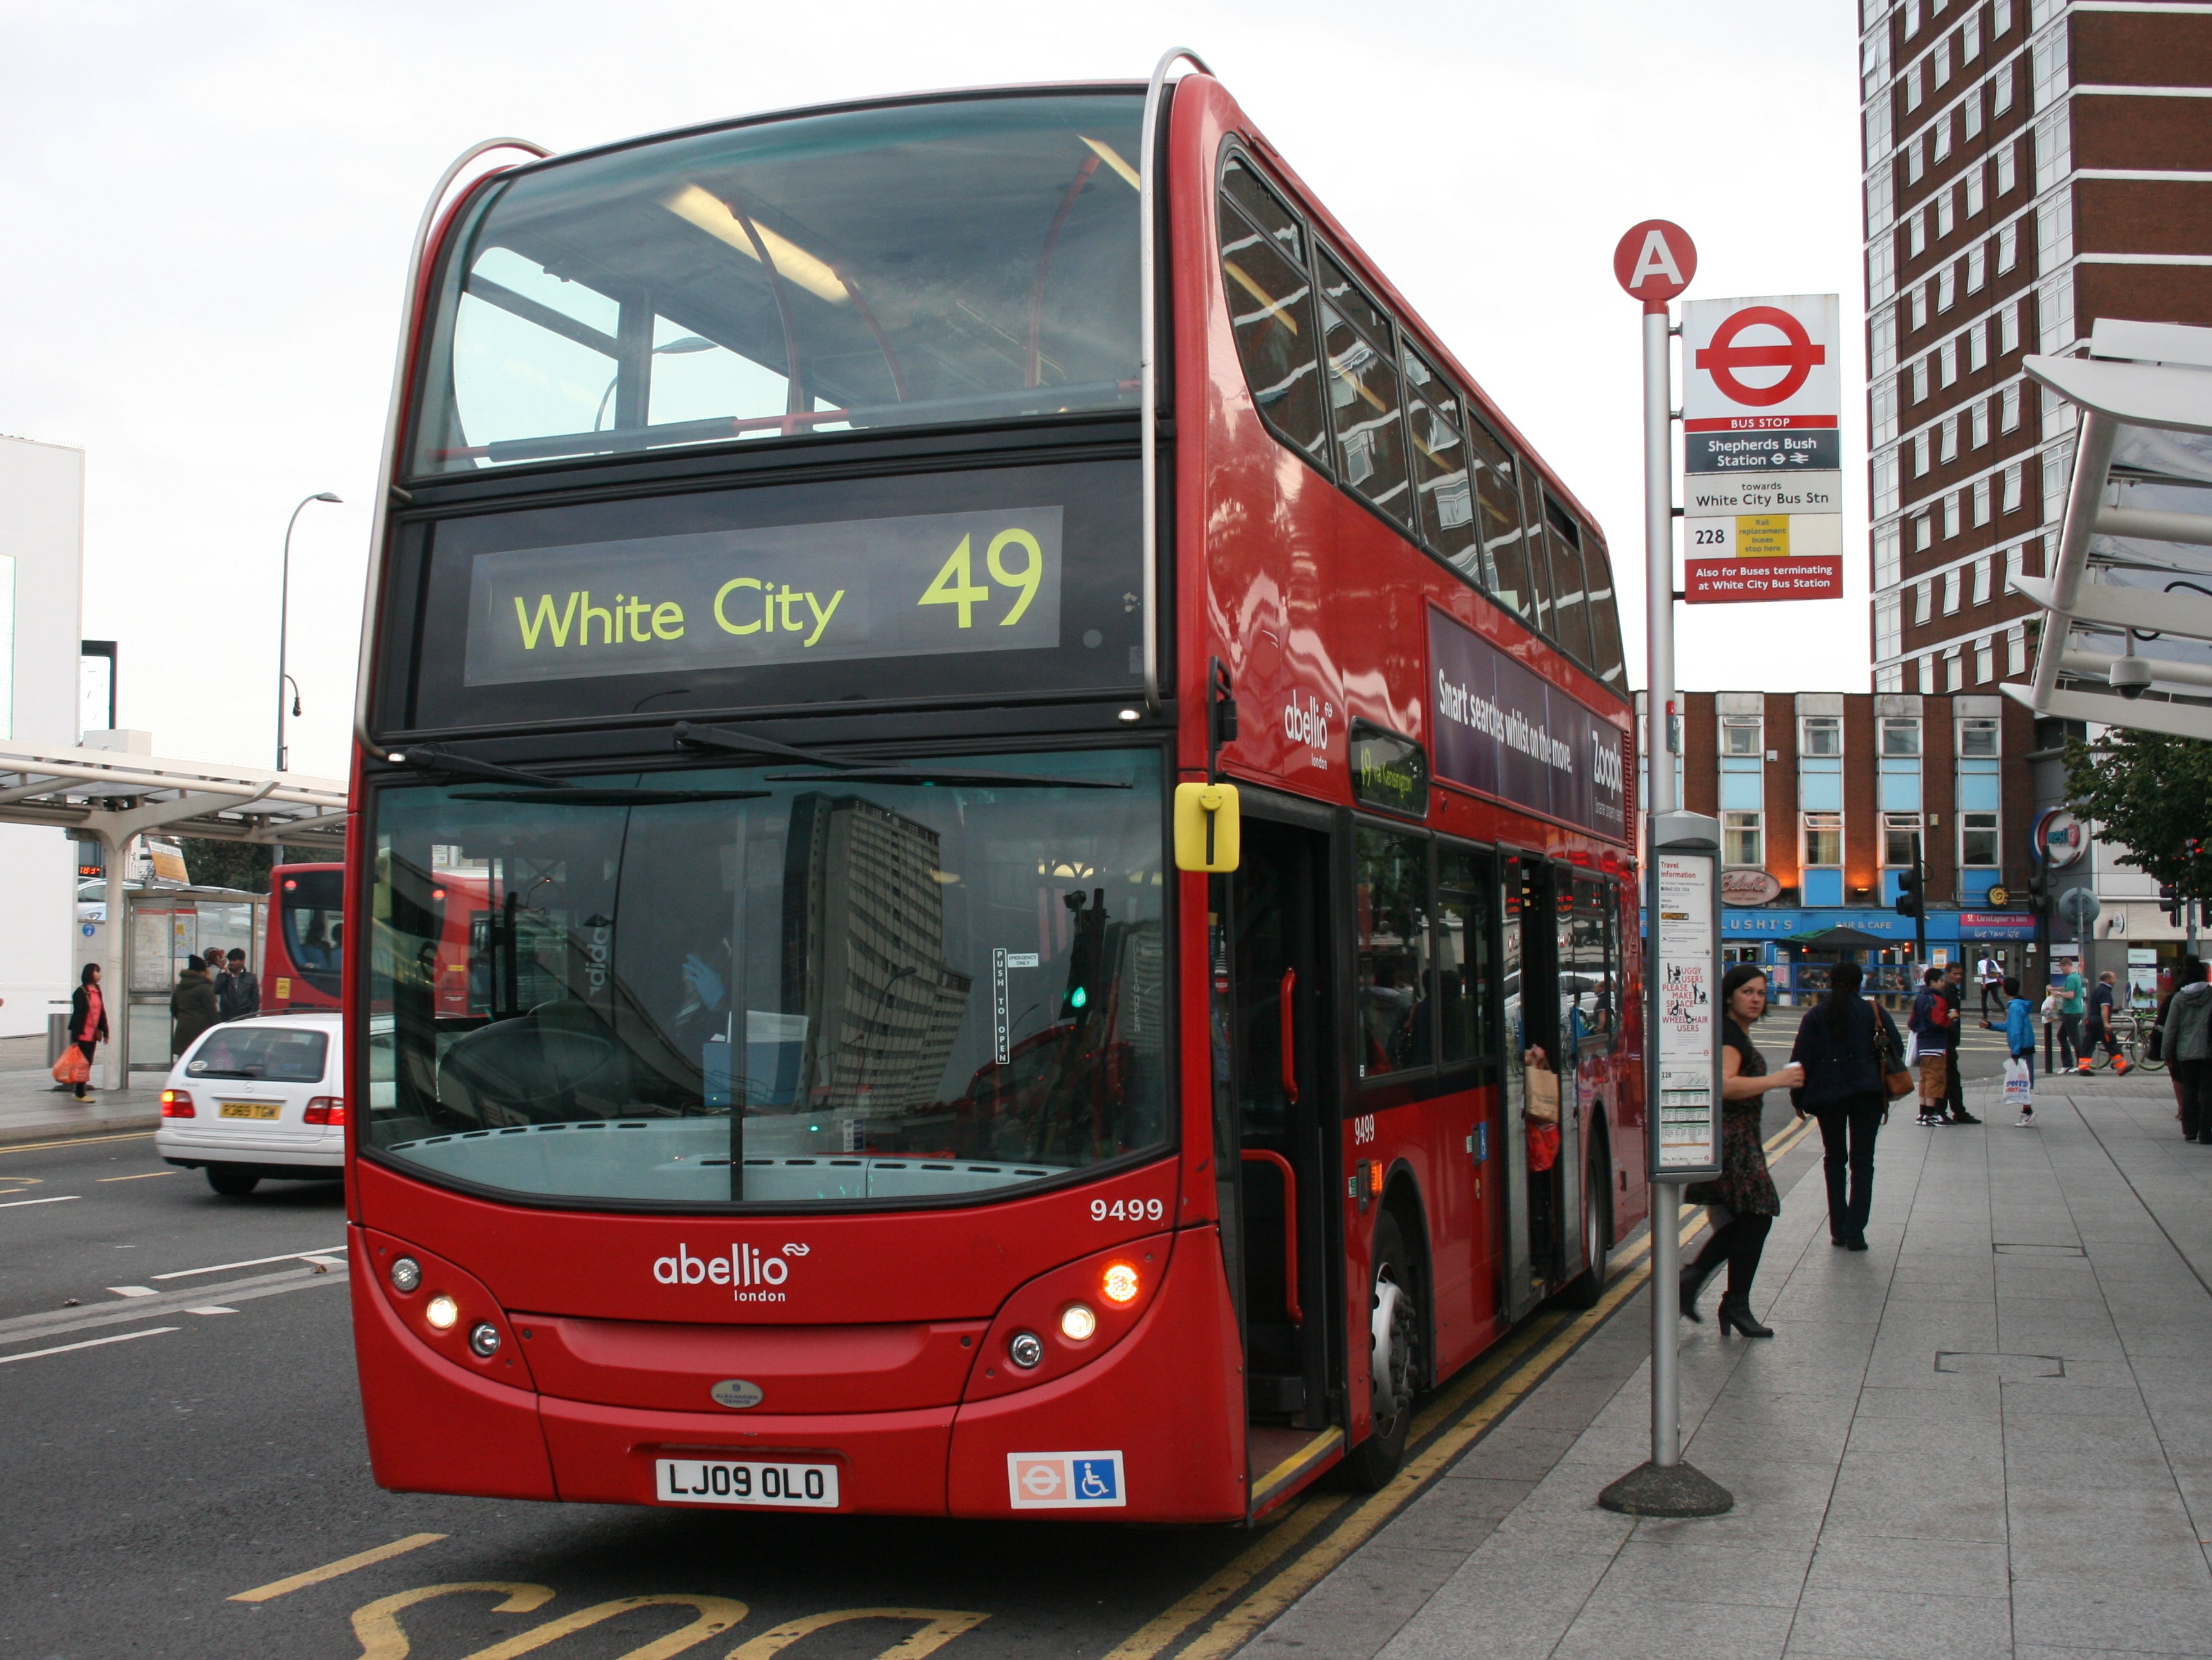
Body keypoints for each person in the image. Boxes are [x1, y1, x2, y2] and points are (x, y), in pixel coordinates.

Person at [1681, 964, 1804, 1337]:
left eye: (1761, 993)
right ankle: (1711, 1289)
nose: (1755, 999)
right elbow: (1724, 1086)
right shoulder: (1730, 1037)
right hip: (1733, 1143)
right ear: (1730, 995)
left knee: (1747, 1221)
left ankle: (1721, 1296)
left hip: (1740, 1139)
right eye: (1747, 992)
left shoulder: (1734, 1033)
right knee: (1757, 1217)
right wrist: (1778, 1080)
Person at [1790, 959, 1903, 1252]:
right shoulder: (1872, 1011)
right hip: (1866, 1094)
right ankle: (1856, 1232)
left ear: (1830, 982)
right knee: (1863, 1163)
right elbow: (1897, 1047)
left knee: (1834, 1159)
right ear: (1860, 983)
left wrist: (1798, 1099)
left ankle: (1838, 1229)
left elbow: (1801, 1057)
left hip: (1828, 1096)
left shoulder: (1815, 1015)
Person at [2165, 959, 2212, 1141]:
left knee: (2190, 1089)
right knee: (2208, 1091)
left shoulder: (2179, 998)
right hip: (2209, 1051)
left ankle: (2190, 1130)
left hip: (2186, 1052)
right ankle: (2207, 1132)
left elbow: (2171, 1028)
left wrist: (2167, 1053)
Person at [1908, 966, 1953, 1129]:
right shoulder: (1937, 1000)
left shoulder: (1919, 999)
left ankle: (1922, 1113)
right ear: (1933, 982)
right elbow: (1939, 1022)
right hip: (1936, 1045)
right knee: (1935, 1080)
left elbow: (1912, 1022)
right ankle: (1931, 1114)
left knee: (1925, 1080)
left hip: (1922, 1045)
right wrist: (1951, 1018)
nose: (1944, 983)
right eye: (1941, 980)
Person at [1939, 961, 1980, 1125]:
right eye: (1955, 974)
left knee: (1953, 1078)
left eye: (1960, 974)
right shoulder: (1945, 992)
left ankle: (1958, 1111)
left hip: (1950, 1040)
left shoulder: (1952, 992)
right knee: (1947, 1078)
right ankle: (1942, 1111)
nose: (1958, 977)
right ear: (1947, 973)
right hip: (1945, 1041)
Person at [66, 963, 107, 1102]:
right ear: (90, 973)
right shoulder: (81, 992)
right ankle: (79, 1093)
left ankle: (80, 1091)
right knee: (83, 1064)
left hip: (92, 1035)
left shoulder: (97, 991)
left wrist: (105, 1030)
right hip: (83, 1034)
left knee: (88, 1063)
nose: (100, 975)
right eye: (97, 972)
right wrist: (75, 1037)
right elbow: (78, 1015)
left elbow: (101, 1012)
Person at [2079, 969, 2131, 1075]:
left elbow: (2097, 1007)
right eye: (2113, 978)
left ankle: (2083, 1068)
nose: (2115, 980)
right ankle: (2121, 1067)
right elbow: (2104, 1008)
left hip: (2091, 1021)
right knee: (2111, 1042)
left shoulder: (2097, 990)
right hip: (2100, 1023)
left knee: (2088, 1044)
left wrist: (2113, 1010)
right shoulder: (2105, 991)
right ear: (2107, 980)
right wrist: (2106, 1023)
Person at [171, 954, 219, 1060]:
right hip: (201, 1031)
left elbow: (174, 1009)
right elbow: (212, 1013)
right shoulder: (205, 988)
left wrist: (185, 1018)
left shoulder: (179, 988)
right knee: (200, 1061)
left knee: (184, 1060)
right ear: (203, 971)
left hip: (183, 1029)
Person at [2005, 975, 2037, 1127]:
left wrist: (2015, 1051)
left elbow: (2016, 1030)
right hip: (2026, 1046)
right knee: (2024, 1080)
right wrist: (1990, 1025)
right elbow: (2009, 1026)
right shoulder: (2018, 1005)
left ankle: (2028, 1112)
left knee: (2024, 1080)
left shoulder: (2015, 1007)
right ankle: (2027, 1111)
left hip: (2022, 1048)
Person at [2056, 958, 2087, 1070]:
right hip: (2075, 1011)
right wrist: (2056, 989)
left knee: (2074, 1040)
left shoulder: (2071, 978)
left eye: (2062, 968)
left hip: (2071, 1012)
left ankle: (2079, 1064)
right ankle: (2069, 1064)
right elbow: (2067, 989)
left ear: (2066, 966)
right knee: (2062, 1036)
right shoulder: (2076, 977)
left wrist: (2058, 994)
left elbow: (2070, 995)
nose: (2062, 971)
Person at [217, 948, 261, 1021]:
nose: (231, 963)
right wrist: (227, 976)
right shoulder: (223, 976)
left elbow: (255, 1000)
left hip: (244, 1016)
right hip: (227, 1017)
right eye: (230, 960)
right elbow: (216, 990)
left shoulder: (251, 978)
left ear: (242, 961)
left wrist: (251, 1016)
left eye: (234, 960)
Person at [1978, 952, 2005, 1024]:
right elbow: (1999, 972)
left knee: (1984, 1000)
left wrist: (1984, 984)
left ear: (1982, 956)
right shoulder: (1992, 961)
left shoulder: (1981, 962)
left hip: (1986, 983)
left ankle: (1985, 1016)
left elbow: (1984, 973)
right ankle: (2004, 1010)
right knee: (1996, 998)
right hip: (1994, 982)